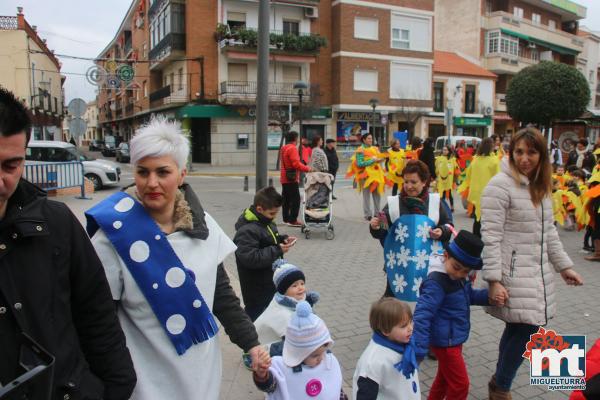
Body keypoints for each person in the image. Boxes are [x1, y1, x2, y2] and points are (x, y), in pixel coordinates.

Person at [86, 118, 269, 399]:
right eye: (142, 172)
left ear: (182, 174)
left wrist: (252, 344)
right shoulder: (112, 237)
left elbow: (220, 295)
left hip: (202, 379)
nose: (152, 183)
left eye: (163, 172)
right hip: (144, 385)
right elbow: (99, 322)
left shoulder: (204, 227)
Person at [0, 87, 137, 399]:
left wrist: (114, 390)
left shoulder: (57, 223)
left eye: (11, 166)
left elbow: (96, 313)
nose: (1, 181)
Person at [481, 127, 584, 399]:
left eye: (531, 152)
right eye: (519, 152)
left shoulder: (541, 186)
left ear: (542, 155)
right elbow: (490, 237)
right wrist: (493, 280)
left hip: (536, 272)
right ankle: (501, 387)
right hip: (512, 273)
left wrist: (564, 267)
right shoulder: (500, 186)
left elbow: (548, 232)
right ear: (511, 153)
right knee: (528, 328)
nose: (525, 158)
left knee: (518, 326)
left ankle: (498, 382)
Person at [412, 230, 498, 400]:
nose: (459, 274)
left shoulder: (458, 279)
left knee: (444, 379)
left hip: (452, 338)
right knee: (460, 385)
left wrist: (489, 297)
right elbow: (422, 314)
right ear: (445, 256)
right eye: (456, 267)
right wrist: (420, 347)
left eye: (465, 272)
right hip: (445, 343)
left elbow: (468, 296)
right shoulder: (436, 282)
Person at [370, 160, 453, 298]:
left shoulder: (435, 202)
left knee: (430, 302)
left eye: (413, 182)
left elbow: (449, 225)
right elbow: (384, 232)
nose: (408, 186)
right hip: (399, 263)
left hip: (430, 264)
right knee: (390, 304)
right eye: (406, 182)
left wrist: (442, 231)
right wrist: (375, 227)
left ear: (424, 182)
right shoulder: (393, 203)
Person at [253, 301, 346, 399]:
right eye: (315, 356)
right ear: (298, 353)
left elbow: (336, 388)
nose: (321, 358)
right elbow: (269, 387)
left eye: (323, 352)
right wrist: (262, 375)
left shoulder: (329, 362)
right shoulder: (282, 368)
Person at [233, 186, 296, 321]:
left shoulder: (266, 222)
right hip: (256, 289)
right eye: (272, 213)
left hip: (269, 282)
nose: (274, 216)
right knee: (256, 318)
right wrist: (278, 250)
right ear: (259, 209)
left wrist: (282, 238)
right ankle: (249, 338)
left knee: (270, 315)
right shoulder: (246, 231)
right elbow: (250, 258)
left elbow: (268, 239)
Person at [353, 298, 420, 399]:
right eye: (404, 326)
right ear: (386, 330)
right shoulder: (373, 362)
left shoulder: (404, 345)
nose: (410, 328)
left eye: (411, 322)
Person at [254, 259, 319, 347]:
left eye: (302, 283)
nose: (300, 288)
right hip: (263, 348)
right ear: (283, 290)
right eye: (294, 285)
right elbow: (292, 339)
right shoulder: (282, 312)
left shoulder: (293, 300)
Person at [457, 137, 500, 237]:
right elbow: (498, 178)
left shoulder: (475, 160)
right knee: (488, 220)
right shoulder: (494, 161)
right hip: (489, 194)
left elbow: (468, 175)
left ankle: (476, 239)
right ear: (491, 147)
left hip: (477, 194)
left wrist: (464, 186)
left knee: (477, 218)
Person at [346, 133, 386, 220]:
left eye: (371, 138)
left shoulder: (375, 148)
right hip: (365, 176)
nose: (371, 140)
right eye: (369, 138)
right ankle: (368, 214)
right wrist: (372, 160)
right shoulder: (360, 150)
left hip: (376, 176)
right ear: (364, 140)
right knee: (366, 196)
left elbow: (378, 159)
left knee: (377, 195)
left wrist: (381, 159)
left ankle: (377, 214)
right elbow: (360, 164)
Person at [280, 131, 312, 227]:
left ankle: (285, 219)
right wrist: (308, 169)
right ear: (295, 138)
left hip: (284, 177)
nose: (298, 140)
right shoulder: (293, 148)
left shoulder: (284, 148)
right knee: (296, 199)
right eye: (297, 138)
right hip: (291, 178)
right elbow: (296, 164)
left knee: (286, 199)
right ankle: (293, 220)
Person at [435, 145, 459, 212]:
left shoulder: (452, 159)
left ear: (449, 151)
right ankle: (442, 207)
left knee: (449, 193)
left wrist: (455, 177)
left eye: (446, 150)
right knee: (441, 194)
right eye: (443, 150)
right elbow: (436, 168)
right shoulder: (439, 158)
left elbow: (456, 168)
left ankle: (452, 207)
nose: (444, 151)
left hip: (449, 180)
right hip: (440, 179)